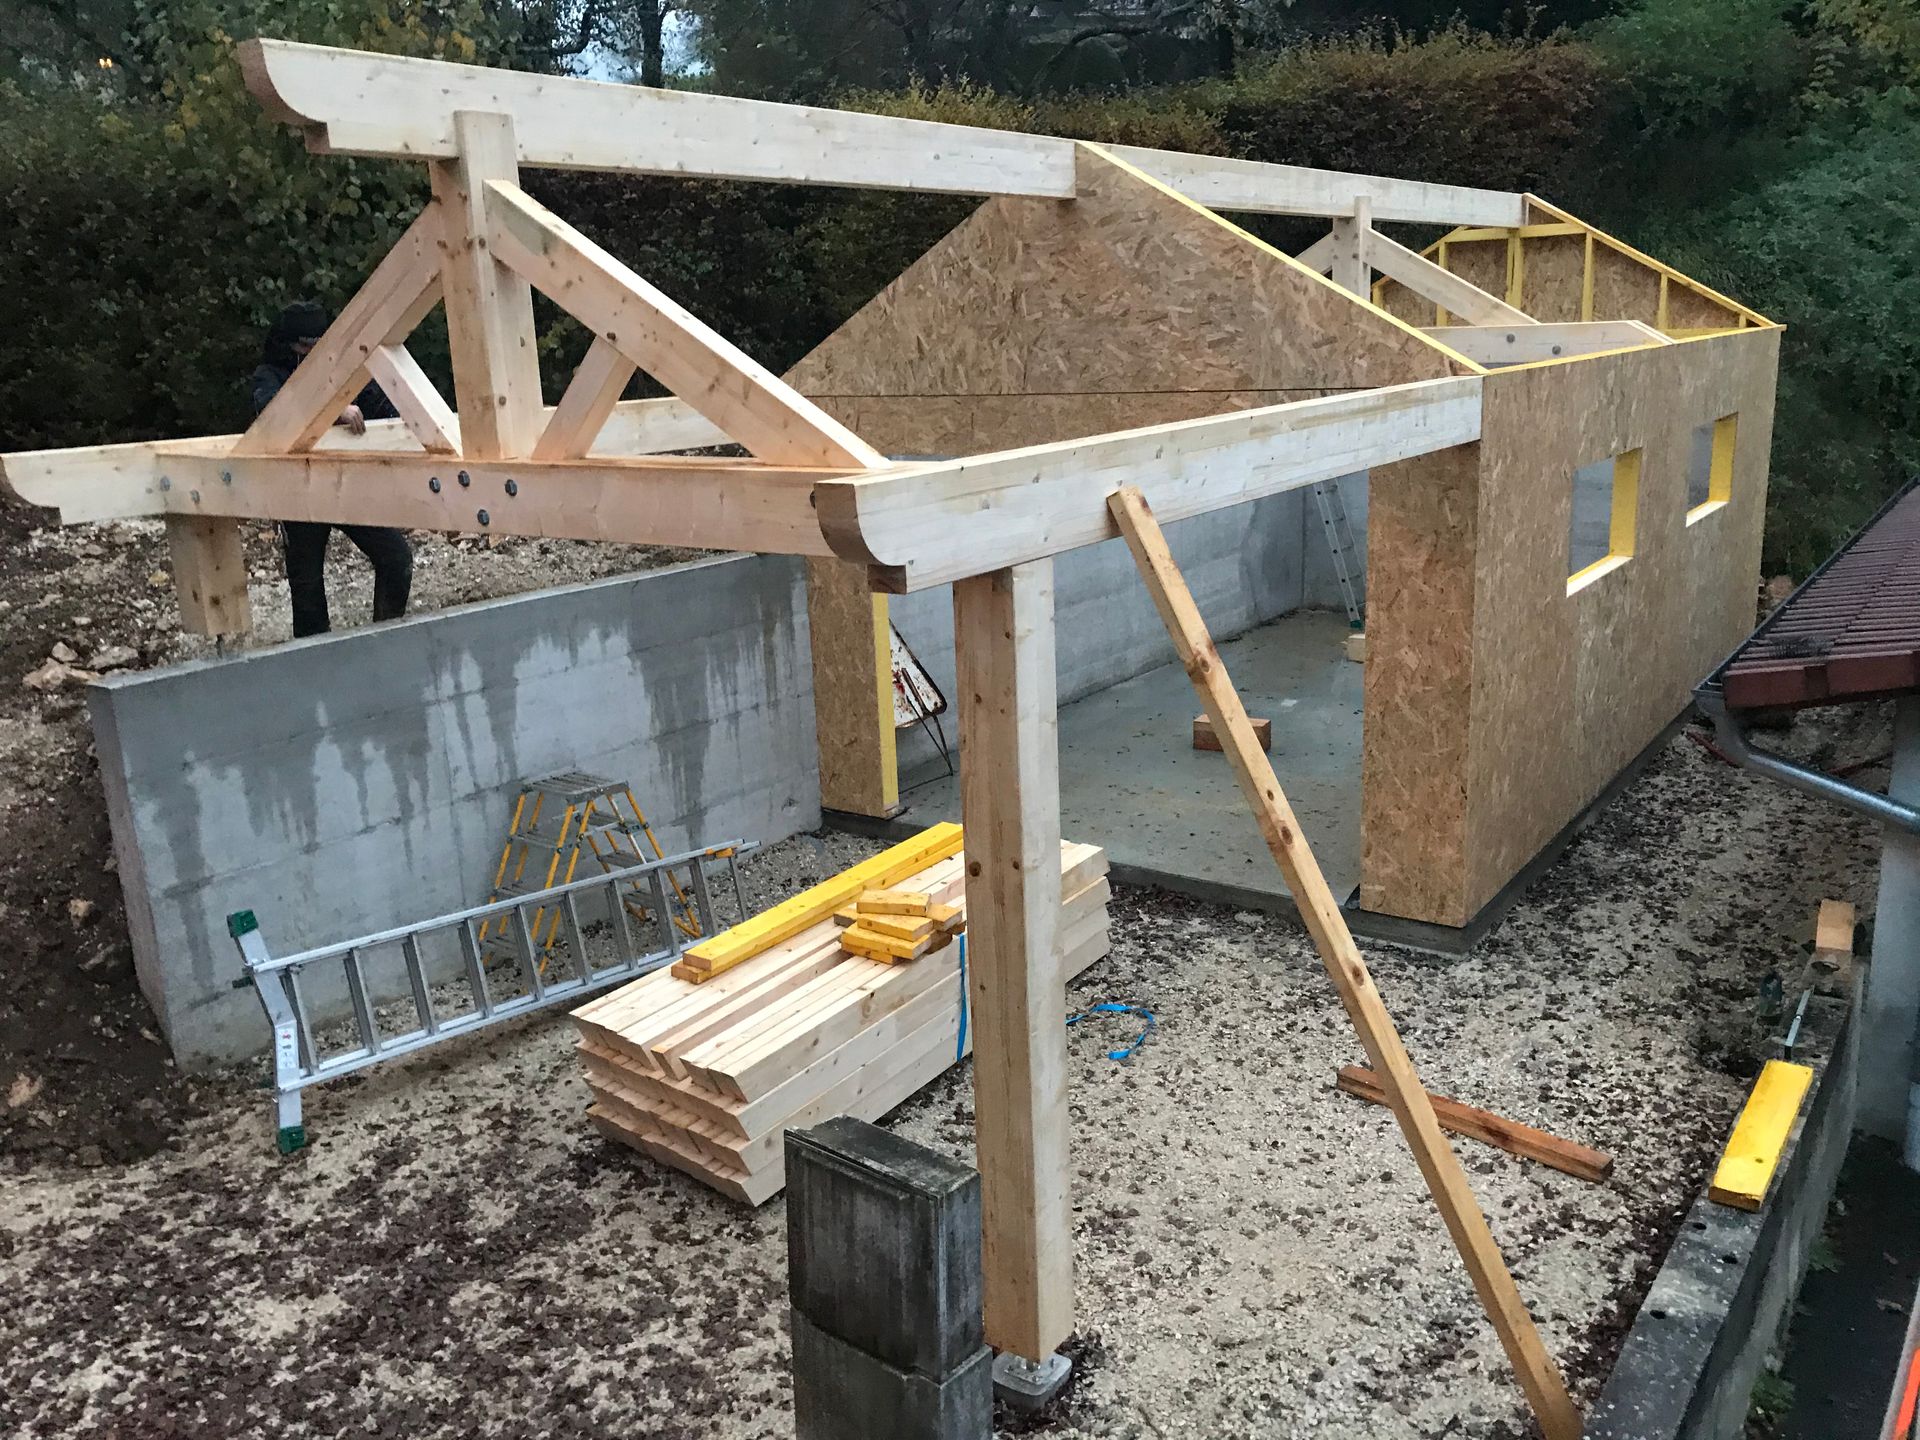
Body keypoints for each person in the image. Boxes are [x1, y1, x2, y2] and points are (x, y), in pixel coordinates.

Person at [251, 301, 415, 638]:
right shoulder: (269, 376)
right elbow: (271, 416)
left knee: (395, 558)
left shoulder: (338, 368)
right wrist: (333, 410)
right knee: (307, 584)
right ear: (290, 345)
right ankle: (315, 661)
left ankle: (387, 638)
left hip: (345, 484)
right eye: (306, 346)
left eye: (318, 345)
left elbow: (382, 402)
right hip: (299, 491)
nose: (312, 353)